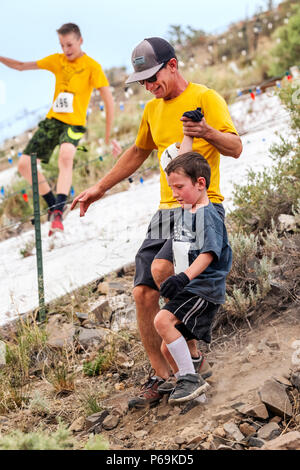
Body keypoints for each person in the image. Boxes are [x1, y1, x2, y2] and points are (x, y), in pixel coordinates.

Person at [71, 37, 242, 408]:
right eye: (143, 81)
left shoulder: (206, 98)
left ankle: (191, 357)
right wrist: (100, 188)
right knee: (141, 292)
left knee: (166, 271)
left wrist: (207, 132)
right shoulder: (152, 110)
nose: (149, 86)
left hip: (199, 208)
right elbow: (136, 152)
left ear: (173, 65)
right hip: (164, 211)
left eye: (153, 76)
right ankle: (163, 375)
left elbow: (235, 147)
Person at [0, 23, 118, 235]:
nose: (66, 49)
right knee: (25, 165)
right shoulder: (57, 60)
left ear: (80, 41)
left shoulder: (92, 66)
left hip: (74, 123)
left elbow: (109, 101)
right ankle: (53, 204)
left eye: (70, 44)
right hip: (53, 120)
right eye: (62, 45)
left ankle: (59, 210)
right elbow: (20, 66)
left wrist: (109, 137)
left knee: (66, 155)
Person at [153, 151, 232, 405]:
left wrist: (183, 278)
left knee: (162, 320)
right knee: (168, 348)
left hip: (202, 288)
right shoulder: (188, 210)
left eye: (179, 187)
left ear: (200, 183)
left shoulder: (208, 214)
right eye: (171, 187)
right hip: (188, 285)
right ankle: (197, 398)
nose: (175, 193)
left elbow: (209, 253)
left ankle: (189, 378)